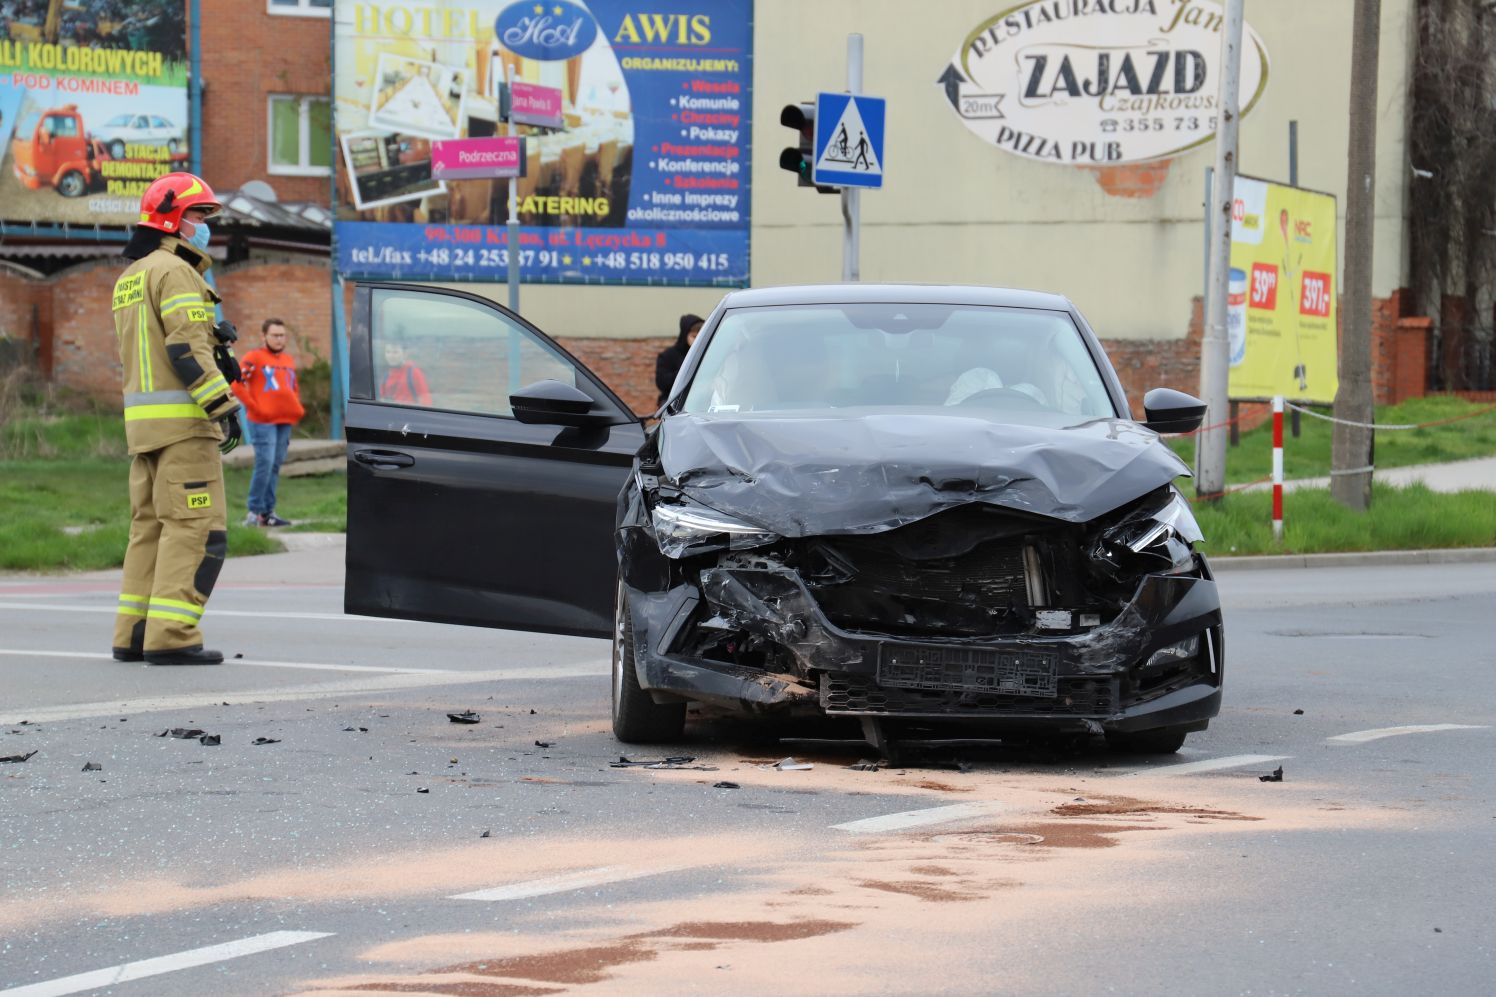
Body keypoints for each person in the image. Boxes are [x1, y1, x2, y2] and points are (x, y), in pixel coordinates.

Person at [110, 171, 239, 667]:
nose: (206, 225)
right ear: (172, 220)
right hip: (185, 428)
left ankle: (135, 632)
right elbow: (186, 347)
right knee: (197, 529)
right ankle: (172, 635)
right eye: (200, 215)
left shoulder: (130, 276)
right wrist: (222, 406)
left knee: (150, 530)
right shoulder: (177, 272)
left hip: (143, 431)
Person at [233, 317, 305, 527]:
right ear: (264, 336)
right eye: (275, 335)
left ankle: (268, 513)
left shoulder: (288, 360)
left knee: (274, 465)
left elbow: (293, 387)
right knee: (264, 464)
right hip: (262, 421)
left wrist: (296, 407)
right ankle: (254, 513)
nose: (279, 339)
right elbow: (236, 383)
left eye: (282, 335)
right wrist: (253, 406)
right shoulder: (254, 357)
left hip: (284, 420)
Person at [655, 313, 703, 406]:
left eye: (700, 337)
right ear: (685, 336)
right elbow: (661, 382)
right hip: (674, 401)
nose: (697, 341)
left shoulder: (708, 353)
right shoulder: (669, 355)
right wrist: (685, 372)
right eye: (694, 336)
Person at [379, 336, 431, 405]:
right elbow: (382, 399)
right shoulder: (386, 375)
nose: (391, 356)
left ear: (405, 354)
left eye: (395, 352)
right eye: (388, 352)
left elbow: (425, 401)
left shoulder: (414, 373)